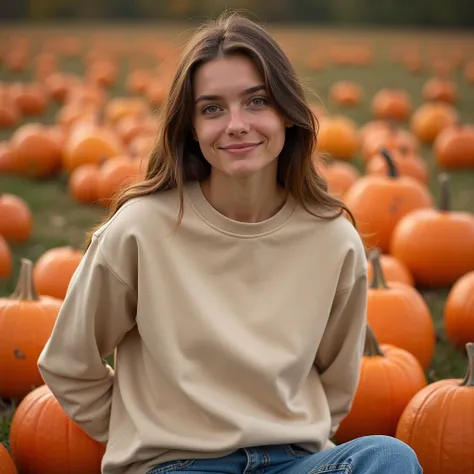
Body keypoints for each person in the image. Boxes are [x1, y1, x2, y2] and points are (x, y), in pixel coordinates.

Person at [37, 10, 423, 474]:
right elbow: (68, 361)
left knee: (389, 458)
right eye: (213, 108)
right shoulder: (140, 230)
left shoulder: (333, 238)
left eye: (256, 101)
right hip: (179, 465)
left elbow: (337, 385)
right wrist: (135, 429)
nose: (236, 123)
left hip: (291, 463)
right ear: (192, 128)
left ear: (287, 112)